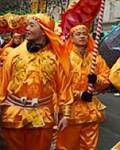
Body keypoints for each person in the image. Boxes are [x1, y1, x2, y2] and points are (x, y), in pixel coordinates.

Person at [0, 14, 73, 150]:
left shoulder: (56, 58)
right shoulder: (14, 54)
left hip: (42, 117)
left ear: (44, 31)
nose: (26, 29)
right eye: (27, 25)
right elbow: (3, 84)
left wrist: (66, 114)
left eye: (31, 25)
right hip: (13, 116)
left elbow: (64, 88)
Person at [56, 25, 110, 150]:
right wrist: (79, 94)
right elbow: (60, 85)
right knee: (66, 146)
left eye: (84, 34)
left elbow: (106, 77)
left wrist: (96, 80)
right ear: (72, 38)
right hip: (70, 110)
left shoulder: (95, 58)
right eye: (78, 34)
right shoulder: (65, 58)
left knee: (90, 146)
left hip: (91, 110)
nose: (82, 36)